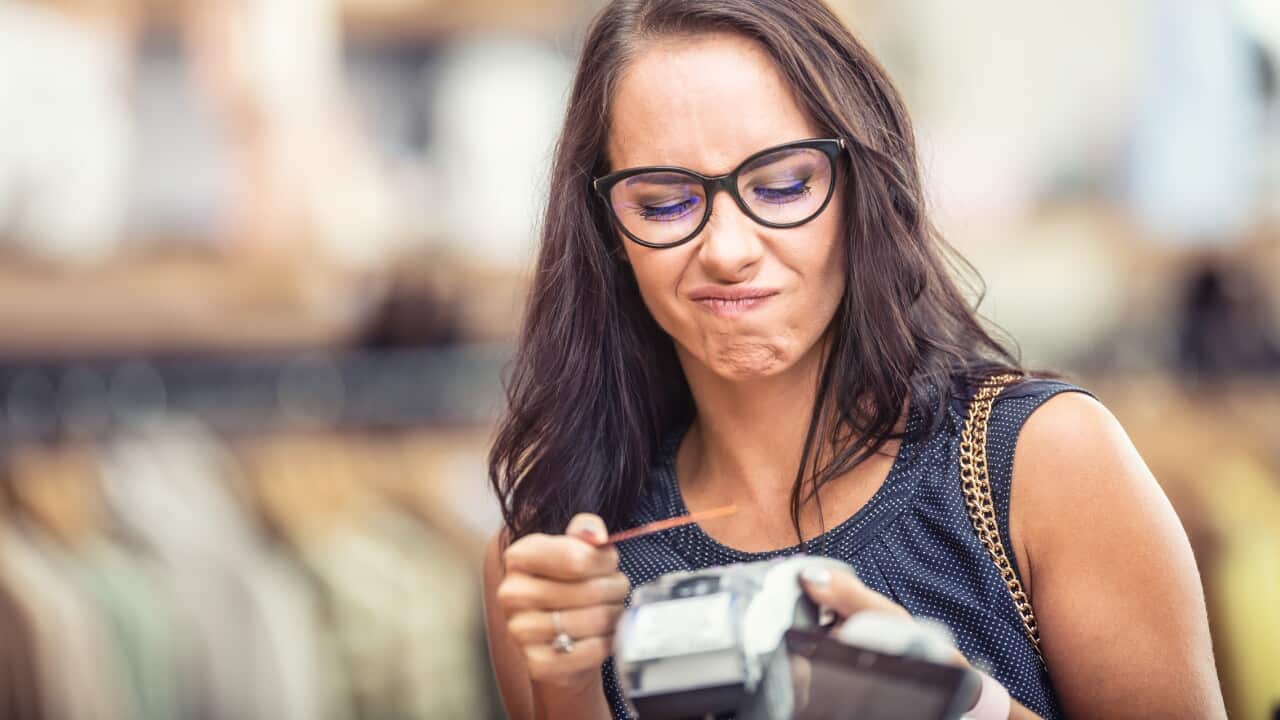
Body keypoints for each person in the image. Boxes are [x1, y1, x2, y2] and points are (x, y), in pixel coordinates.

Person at [482, 1, 1227, 718]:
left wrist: (965, 708)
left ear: (862, 187)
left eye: (782, 186)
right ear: (606, 229)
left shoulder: (1042, 464)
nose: (729, 251)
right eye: (664, 203)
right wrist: (571, 691)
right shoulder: (554, 556)